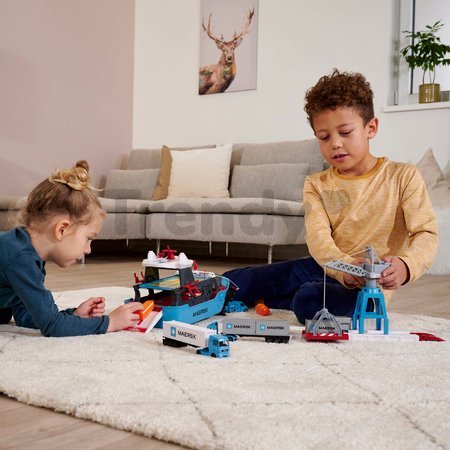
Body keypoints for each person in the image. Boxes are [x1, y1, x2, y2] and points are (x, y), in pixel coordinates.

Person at [223, 69, 439, 323]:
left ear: (371, 128)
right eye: (324, 137)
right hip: (327, 265)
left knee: (309, 301)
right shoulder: (316, 184)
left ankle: (281, 298)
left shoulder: (403, 176)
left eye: (345, 132)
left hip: (367, 287)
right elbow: (318, 239)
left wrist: (405, 266)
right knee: (234, 281)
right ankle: (243, 293)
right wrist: (343, 267)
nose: (335, 143)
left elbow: (426, 233)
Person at [0, 160, 143, 337]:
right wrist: (110, 323)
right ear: (62, 230)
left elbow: (26, 316)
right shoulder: (20, 258)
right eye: (88, 239)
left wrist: (74, 315)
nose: (88, 250)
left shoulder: (27, 253)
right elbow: (53, 326)